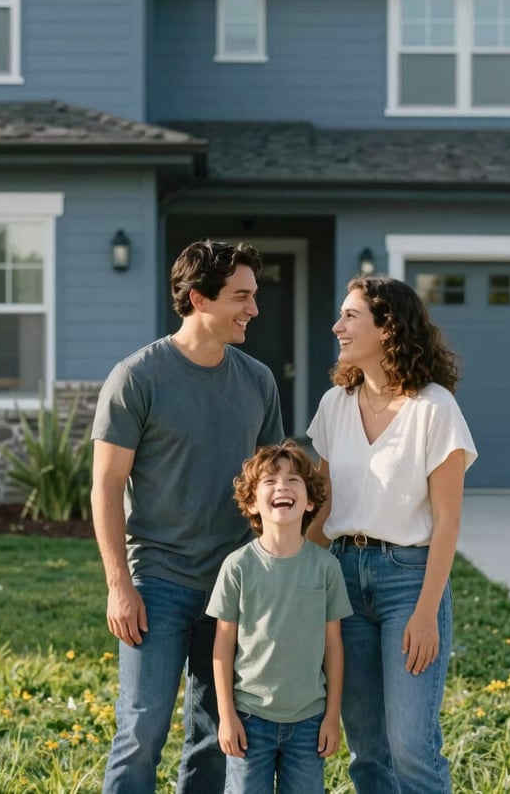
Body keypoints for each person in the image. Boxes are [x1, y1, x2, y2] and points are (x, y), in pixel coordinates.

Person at [90, 239, 284, 793]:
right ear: (199, 298)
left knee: (215, 731)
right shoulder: (137, 377)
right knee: (142, 727)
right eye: (241, 297)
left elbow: (270, 487)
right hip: (158, 581)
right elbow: (105, 489)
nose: (253, 308)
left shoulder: (258, 381)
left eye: (253, 295)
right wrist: (118, 586)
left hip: (235, 585)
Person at [306, 275, 477, 794]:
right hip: (343, 578)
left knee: (411, 746)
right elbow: (326, 504)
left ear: (388, 328)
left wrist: (427, 613)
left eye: (351, 316)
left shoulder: (434, 408)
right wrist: (281, 564)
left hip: (409, 581)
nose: (337, 326)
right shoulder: (336, 404)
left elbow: (448, 519)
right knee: (367, 748)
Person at [207, 440, 352, 794]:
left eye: (293, 481)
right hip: (249, 719)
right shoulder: (237, 567)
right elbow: (222, 647)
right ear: (253, 502)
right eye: (270, 481)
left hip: (308, 722)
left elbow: (333, 647)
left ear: (311, 501)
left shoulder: (326, 568)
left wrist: (332, 716)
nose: (282, 487)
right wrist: (227, 717)